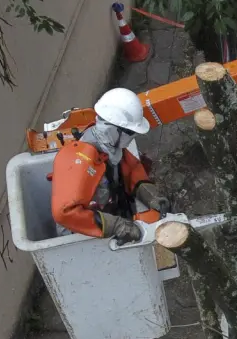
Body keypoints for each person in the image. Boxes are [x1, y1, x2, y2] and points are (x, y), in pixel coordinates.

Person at [51, 88, 170, 243]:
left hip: (105, 214)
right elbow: (64, 213)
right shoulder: (80, 161)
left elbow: (132, 169)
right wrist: (117, 226)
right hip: (81, 233)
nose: (132, 137)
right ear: (111, 129)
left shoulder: (110, 147)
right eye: (130, 132)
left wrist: (151, 195)